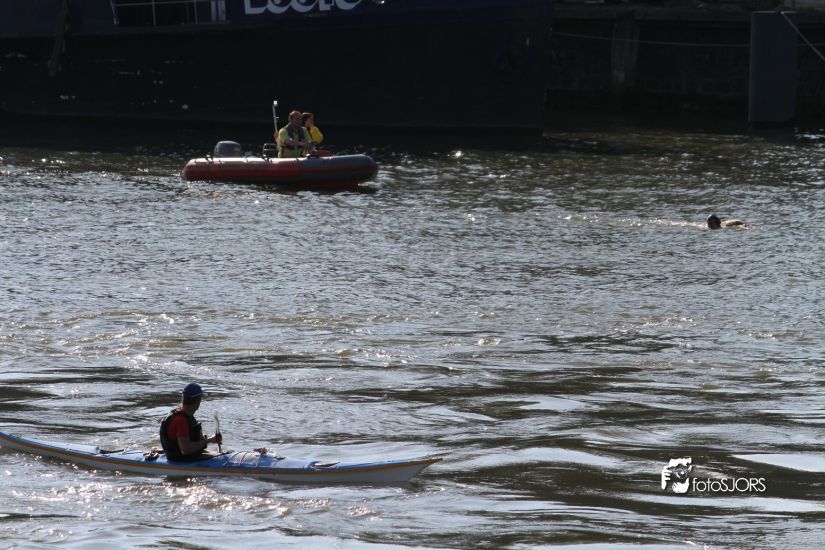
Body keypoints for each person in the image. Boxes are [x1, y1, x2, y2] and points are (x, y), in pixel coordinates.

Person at [159, 383, 222, 462]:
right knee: (215, 455)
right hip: (179, 459)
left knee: (216, 454)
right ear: (198, 401)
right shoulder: (181, 420)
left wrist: (212, 440)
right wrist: (209, 441)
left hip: (182, 456)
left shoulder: (186, 415)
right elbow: (186, 450)